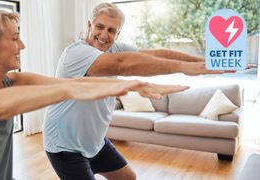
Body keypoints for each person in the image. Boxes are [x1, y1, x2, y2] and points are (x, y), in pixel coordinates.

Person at [0, 6, 187, 180]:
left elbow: (69, 83)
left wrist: (134, 85)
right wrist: (70, 88)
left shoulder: (14, 80)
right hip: (64, 146)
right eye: (15, 38)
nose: (23, 45)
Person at [43, 2, 232, 180]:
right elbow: (122, 65)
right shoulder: (76, 53)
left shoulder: (114, 48)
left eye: (111, 30)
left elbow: (153, 55)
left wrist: (202, 62)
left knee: (128, 177)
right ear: (89, 25)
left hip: (94, 142)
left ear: (118, 33)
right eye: (99, 27)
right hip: (65, 145)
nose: (104, 34)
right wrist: (183, 67)